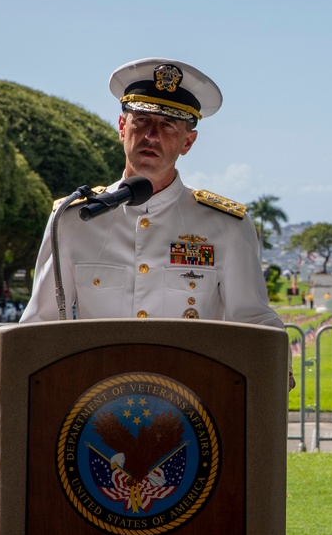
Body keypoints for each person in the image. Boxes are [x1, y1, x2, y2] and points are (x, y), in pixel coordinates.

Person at [19, 58, 291, 386]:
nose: (151, 135)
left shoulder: (228, 227)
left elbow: (254, 321)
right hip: (94, 405)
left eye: (167, 126)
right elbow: (39, 322)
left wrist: (276, 369)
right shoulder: (74, 219)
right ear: (122, 128)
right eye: (142, 120)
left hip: (191, 407)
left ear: (187, 142)